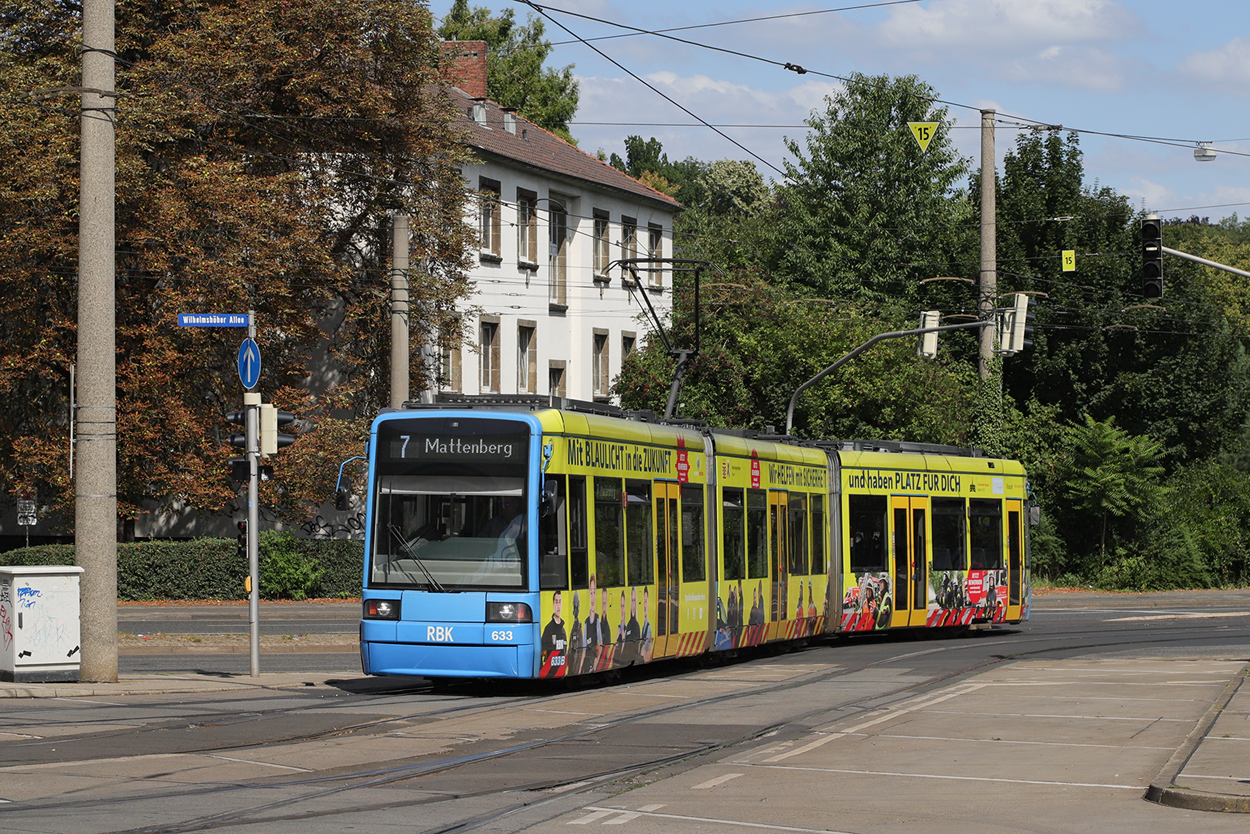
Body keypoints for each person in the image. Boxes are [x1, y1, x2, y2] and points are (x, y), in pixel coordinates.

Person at [540, 590, 568, 678]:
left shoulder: (563, 630)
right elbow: (542, 651)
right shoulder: (548, 629)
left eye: (560, 602)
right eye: (556, 602)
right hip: (550, 672)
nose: (558, 605)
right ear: (553, 605)